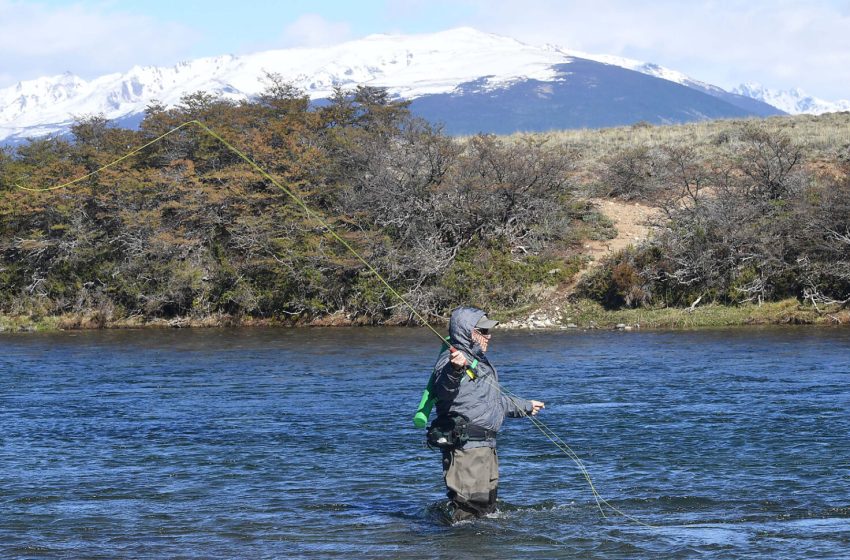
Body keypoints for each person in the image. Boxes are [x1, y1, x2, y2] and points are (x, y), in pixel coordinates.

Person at [431, 306, 544, 522]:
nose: (488, 336)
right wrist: (454, 370)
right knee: (468, 508)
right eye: (482, 331)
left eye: (488, 331)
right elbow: (444, 389)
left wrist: (526, 406)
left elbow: (494, 402)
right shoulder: (450, 360)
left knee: (486, 508)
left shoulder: (479, 362)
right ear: (467, 332)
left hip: (486, 448)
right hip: (467, 449)